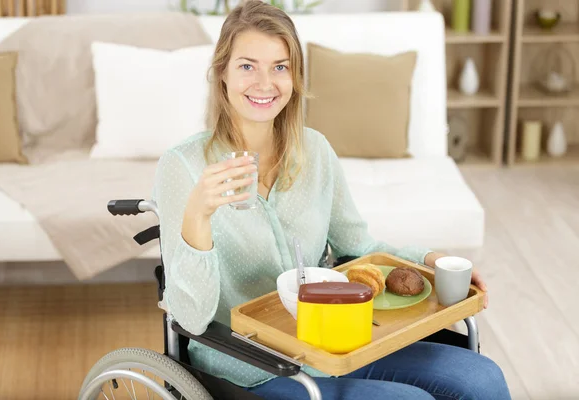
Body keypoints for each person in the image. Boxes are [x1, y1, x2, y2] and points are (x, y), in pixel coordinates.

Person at [152, 1, 511, 399]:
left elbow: (360, 248)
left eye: (280, 66)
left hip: (332, 341)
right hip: (250, 366)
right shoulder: (182, 167)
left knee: (482, 378)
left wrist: (430, 260)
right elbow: (190, 318)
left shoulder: (316, 151)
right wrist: (198, 214)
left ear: (295, 76)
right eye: (247, 66)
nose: (265, 83)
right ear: (222, 72)